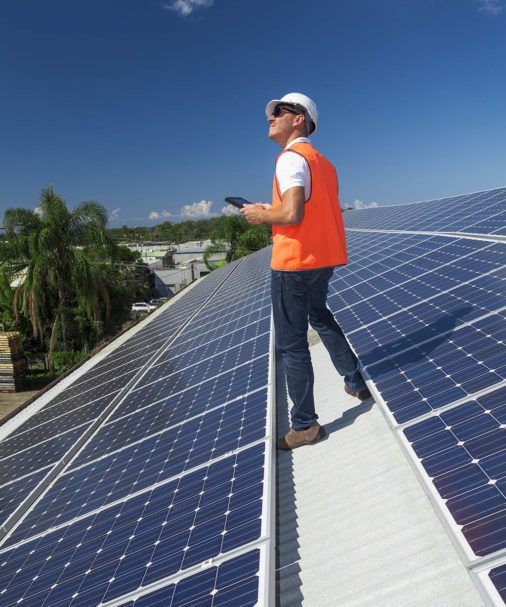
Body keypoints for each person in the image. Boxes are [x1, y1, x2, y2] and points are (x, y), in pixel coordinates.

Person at [241, 92, 370, 450]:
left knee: (292, 345)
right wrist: (274, 207)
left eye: (278, 112)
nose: (270, 117)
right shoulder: (322, 162)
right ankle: (356, 381)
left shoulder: (289, 158)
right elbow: (307, 208)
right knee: (320, 316)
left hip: (294, 263)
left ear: (299, 119)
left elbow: (293, 215)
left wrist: (259, 214)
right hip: (323, 259)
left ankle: (305, 426)